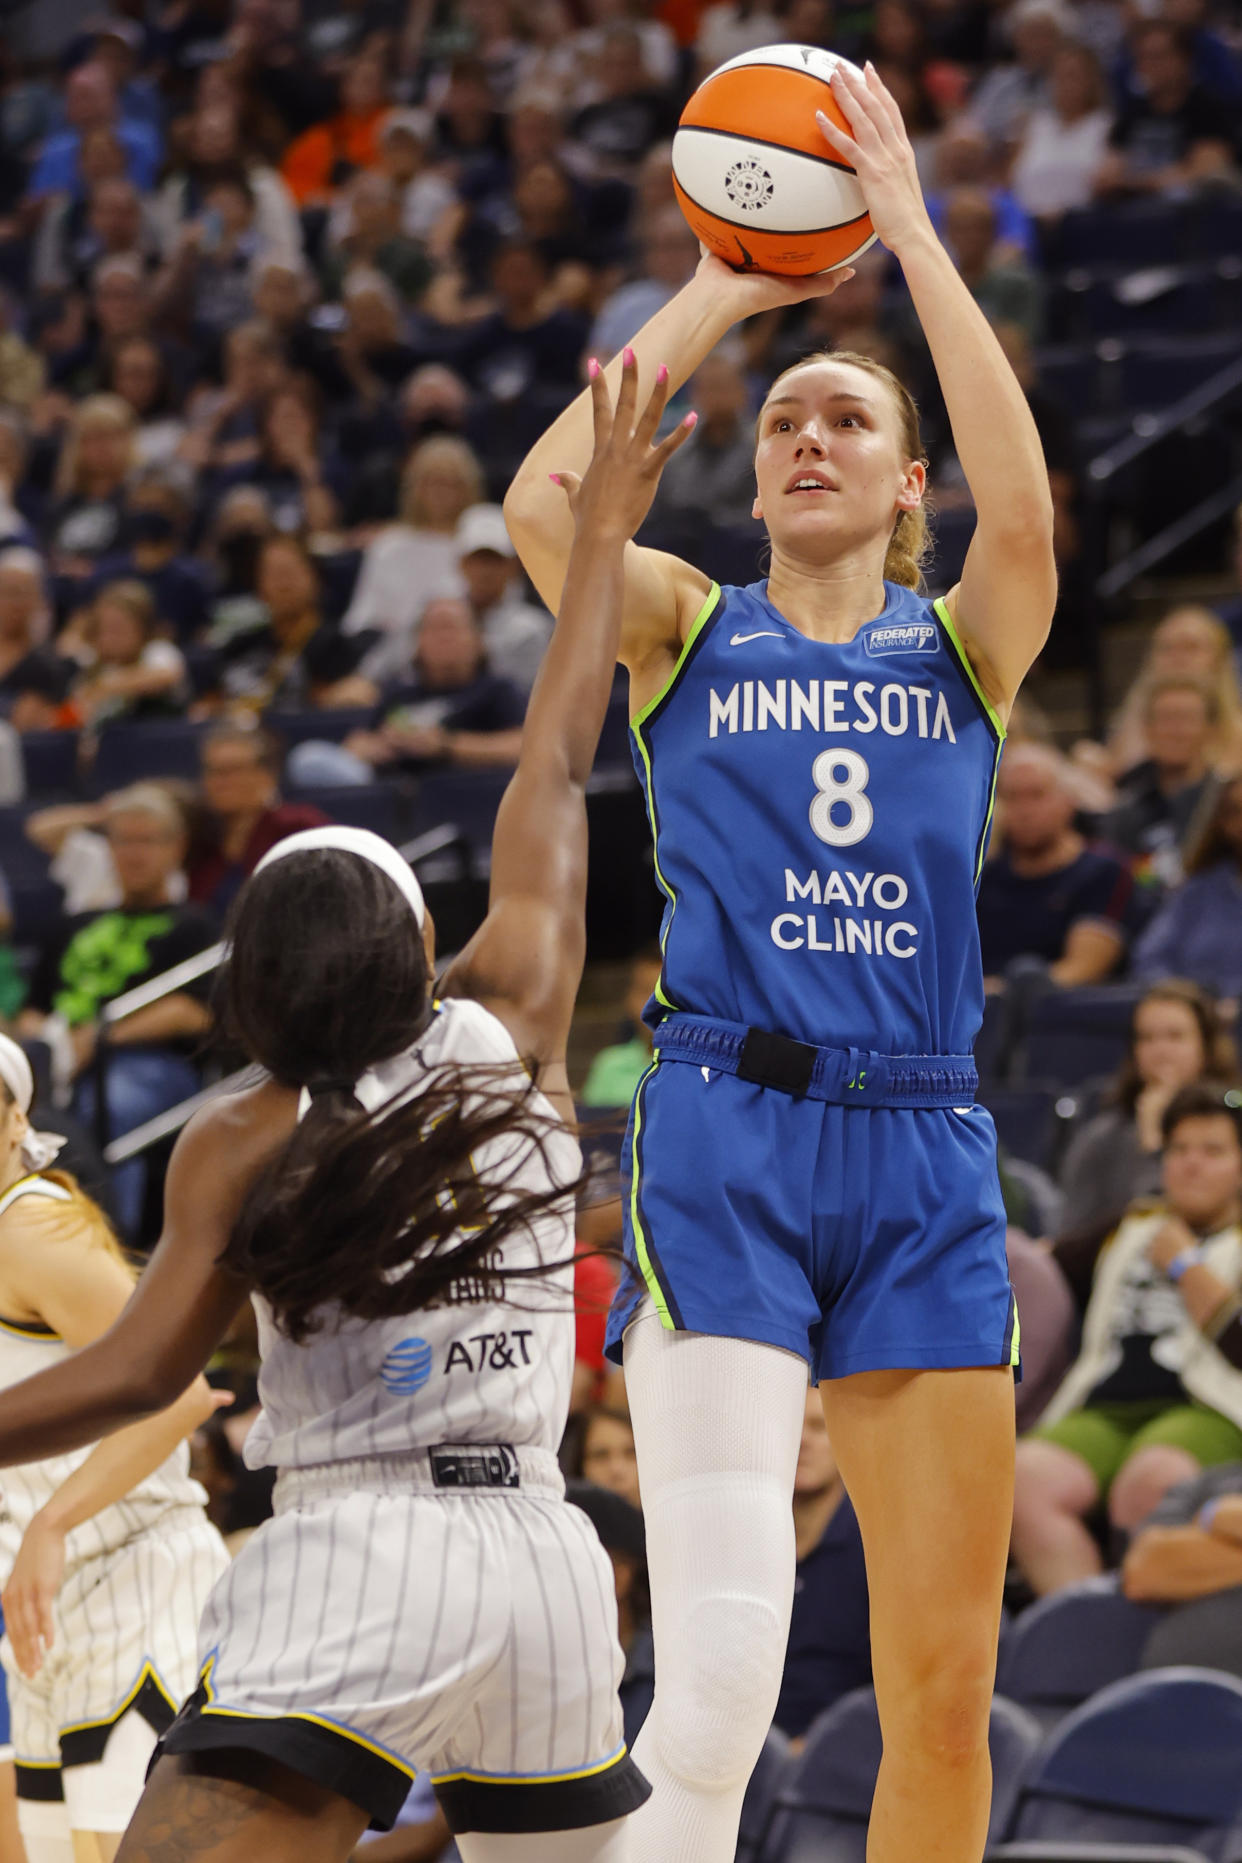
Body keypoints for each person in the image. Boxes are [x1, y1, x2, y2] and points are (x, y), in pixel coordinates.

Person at [0, 354, 696, 1861]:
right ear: (413, 943)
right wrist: (596, 544)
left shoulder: (237, 1132)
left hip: (353, 1553)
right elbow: (554, 754)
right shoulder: (513, 1012)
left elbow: (132, 1374)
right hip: (549, 1562)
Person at [504, 57, 1057, 1863]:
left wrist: (903, 231)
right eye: (778, 424)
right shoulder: (684, 627)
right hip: (726, 1126)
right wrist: (730, 284)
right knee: (729, 1654)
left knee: (940, 1693)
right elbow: (543, 505)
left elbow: (1031, 519)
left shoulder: (965, 644)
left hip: (919, 1156)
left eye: (842, 421)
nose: (802, 436)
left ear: (908, 483)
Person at [0, 1032, 228, 1863]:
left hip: (135, 1581)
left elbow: (181, 1387)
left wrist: (50, 1524)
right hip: (44, 1623)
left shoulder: (30, 1225)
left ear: (15, 1115)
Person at [1013, 1082, 1242, 1597]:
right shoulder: (1131, 1226)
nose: (1191, 1165)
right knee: (1021, 1480)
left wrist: (1186, 1267)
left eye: (1212, 1151)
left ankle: (1136, 1645)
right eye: (1179, 1150)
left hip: (1205, 1409)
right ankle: (1085, 1632)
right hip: (1100, 1407)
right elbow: (1037, 1265)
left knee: (1149, 1483)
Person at [17, 783, 217, 1242]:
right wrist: (54, 1044)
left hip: (150, 1064)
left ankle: (105, 1252)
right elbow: (31, 1009)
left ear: (176, 847)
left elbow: (196, 1011)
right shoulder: (73, 924)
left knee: (106, 1106)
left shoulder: (194, 923)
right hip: (58, 1057)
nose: (133, 853)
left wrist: (102, 1037)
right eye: (122, 840)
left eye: (147, 840)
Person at [1056, 981, 1237, 1302]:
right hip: (1120, 1292)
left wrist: (1156, 1144)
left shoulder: (1235, 1125)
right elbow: (1073, 1244)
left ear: (1206, 1047)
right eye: (1147, 1038)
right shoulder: (1100, 1138)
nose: (1160, 1050)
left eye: (1175, 1036)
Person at [289, 596, 526, 788]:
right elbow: (357, 744)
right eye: (434, 629)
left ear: (479, 640)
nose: (444, 637)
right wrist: (376, 748)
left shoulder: (497, 689)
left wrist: (446, 746)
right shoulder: (399, 692)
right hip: (391, 790)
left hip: (468, 793)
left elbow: (522, 747)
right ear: (418, 643)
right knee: (308, 758)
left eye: (452, 628)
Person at [978, 744, 1135, 988]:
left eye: (1037, 795)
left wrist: (995, 993)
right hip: (981, 1015)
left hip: (1058, 1013)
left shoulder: (1104, 871)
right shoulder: (984, 878)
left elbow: (1082, 969)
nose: (1024, 811)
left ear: (1068, 801)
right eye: (1012, 798)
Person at [773, 1390, 871, 1741]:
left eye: (818, 1427)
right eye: (789, 1428)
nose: (801, 1441)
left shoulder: (878, 1549)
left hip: (844, 1761)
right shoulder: (745, 1541)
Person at [1132, 777, 1242, 1003]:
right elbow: (1150, 959)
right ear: (1222, 822)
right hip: (1194, 1023)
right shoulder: (1198, 889)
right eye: (1237, 811)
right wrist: (1191, 1005)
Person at [1105, 676, 1222, 883]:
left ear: (1210, 730)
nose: (1175, 731)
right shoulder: (1125, 809)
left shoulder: (1228, 805)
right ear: (1147, 730)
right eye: (1166, 719)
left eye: (1187, 719)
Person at [579, 948, 663, 1110]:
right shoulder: (608, 1065)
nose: (656, 1006)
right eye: (646, 991)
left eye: (666, 995)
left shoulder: (698, 1071)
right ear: (629, 999)